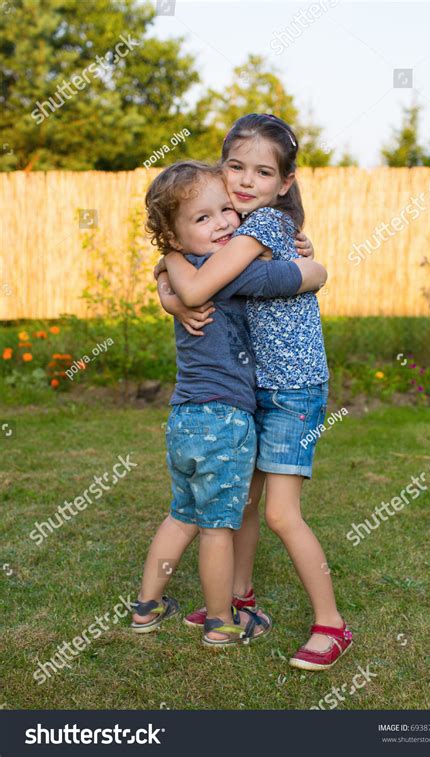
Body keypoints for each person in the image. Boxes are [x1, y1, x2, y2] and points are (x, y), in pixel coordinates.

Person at [157, 114, 353, 670]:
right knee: (242, 502)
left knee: (280, 514)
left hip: (292, 389)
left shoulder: (264, 225)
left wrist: (173, 282)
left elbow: (199, 279)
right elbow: (192, 268)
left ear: (284, 183)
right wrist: (169, 281)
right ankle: (240, 601)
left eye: (262, 172)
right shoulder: (233, 228)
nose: (245, 181)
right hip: (252, 387)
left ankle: (331, 625)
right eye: (235, 166)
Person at [131, 159, 327, 647]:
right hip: (225, 417)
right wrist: (314, 265)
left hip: (183, 416)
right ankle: (221, 622)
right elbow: (306, 277)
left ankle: (146, 607)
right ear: (178, 236)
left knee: (182, 515)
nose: (222, 223)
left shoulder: (186, 268)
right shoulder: (233, 275)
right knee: (219, 526)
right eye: (204, 218)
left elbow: (172, 265)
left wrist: (166, 271)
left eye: (225, 210)